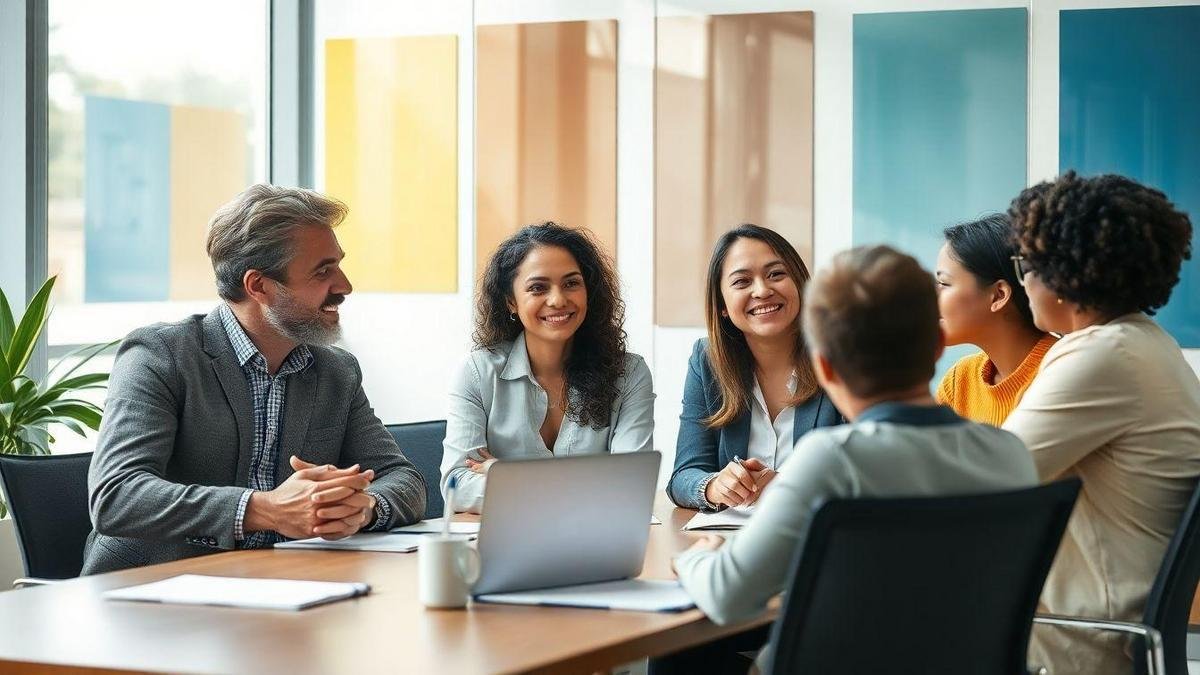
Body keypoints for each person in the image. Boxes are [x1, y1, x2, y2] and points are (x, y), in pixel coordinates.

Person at [668, 246, 1038, 673]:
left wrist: (695, 557)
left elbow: (727, 595)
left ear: (824, 367)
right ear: (938, 347)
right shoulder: (1010, 455)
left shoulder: (832, 462)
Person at [82, 185, 427, 574]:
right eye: (323, 270)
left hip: (280, 587)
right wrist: (265, 510)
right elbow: (117, 496)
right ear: (258, 286)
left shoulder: (336, 372)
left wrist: (362, 508)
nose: (344, 285)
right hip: (146, 597)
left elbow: (404, 479)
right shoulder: (160, 356)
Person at [1002, 172, 1200, 673]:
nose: (1022, 281)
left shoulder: (1101, 354)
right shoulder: (1146, 343)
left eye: (1025, 266)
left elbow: (992, 475)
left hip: (1081, 641)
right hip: (1105, 626)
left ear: (1063, 275)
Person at [440, 222, 654, 514]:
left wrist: (510, 479)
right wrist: (577, 490)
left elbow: (631, 487)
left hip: (595, 546)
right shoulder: (478, 373)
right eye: (538, 288)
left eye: (571, 283)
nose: (557, 300)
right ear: (511, 302)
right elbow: (457, 485)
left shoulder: (629, 374)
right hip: (504, 546)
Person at [667, 225, 842, 512]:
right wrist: (713, 485)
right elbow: (684, 475)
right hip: (733, 538)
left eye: (776, 274)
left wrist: (790, 486)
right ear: (722, 305)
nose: (762, 291)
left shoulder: (841, 355)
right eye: (742, 282)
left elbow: (865, 472)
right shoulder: (707, 360)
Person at [935, 213, 1056, 425]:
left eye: (944, 284)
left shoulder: (1061, 372)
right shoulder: (959, 381)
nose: (933, 295)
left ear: (999, 295)